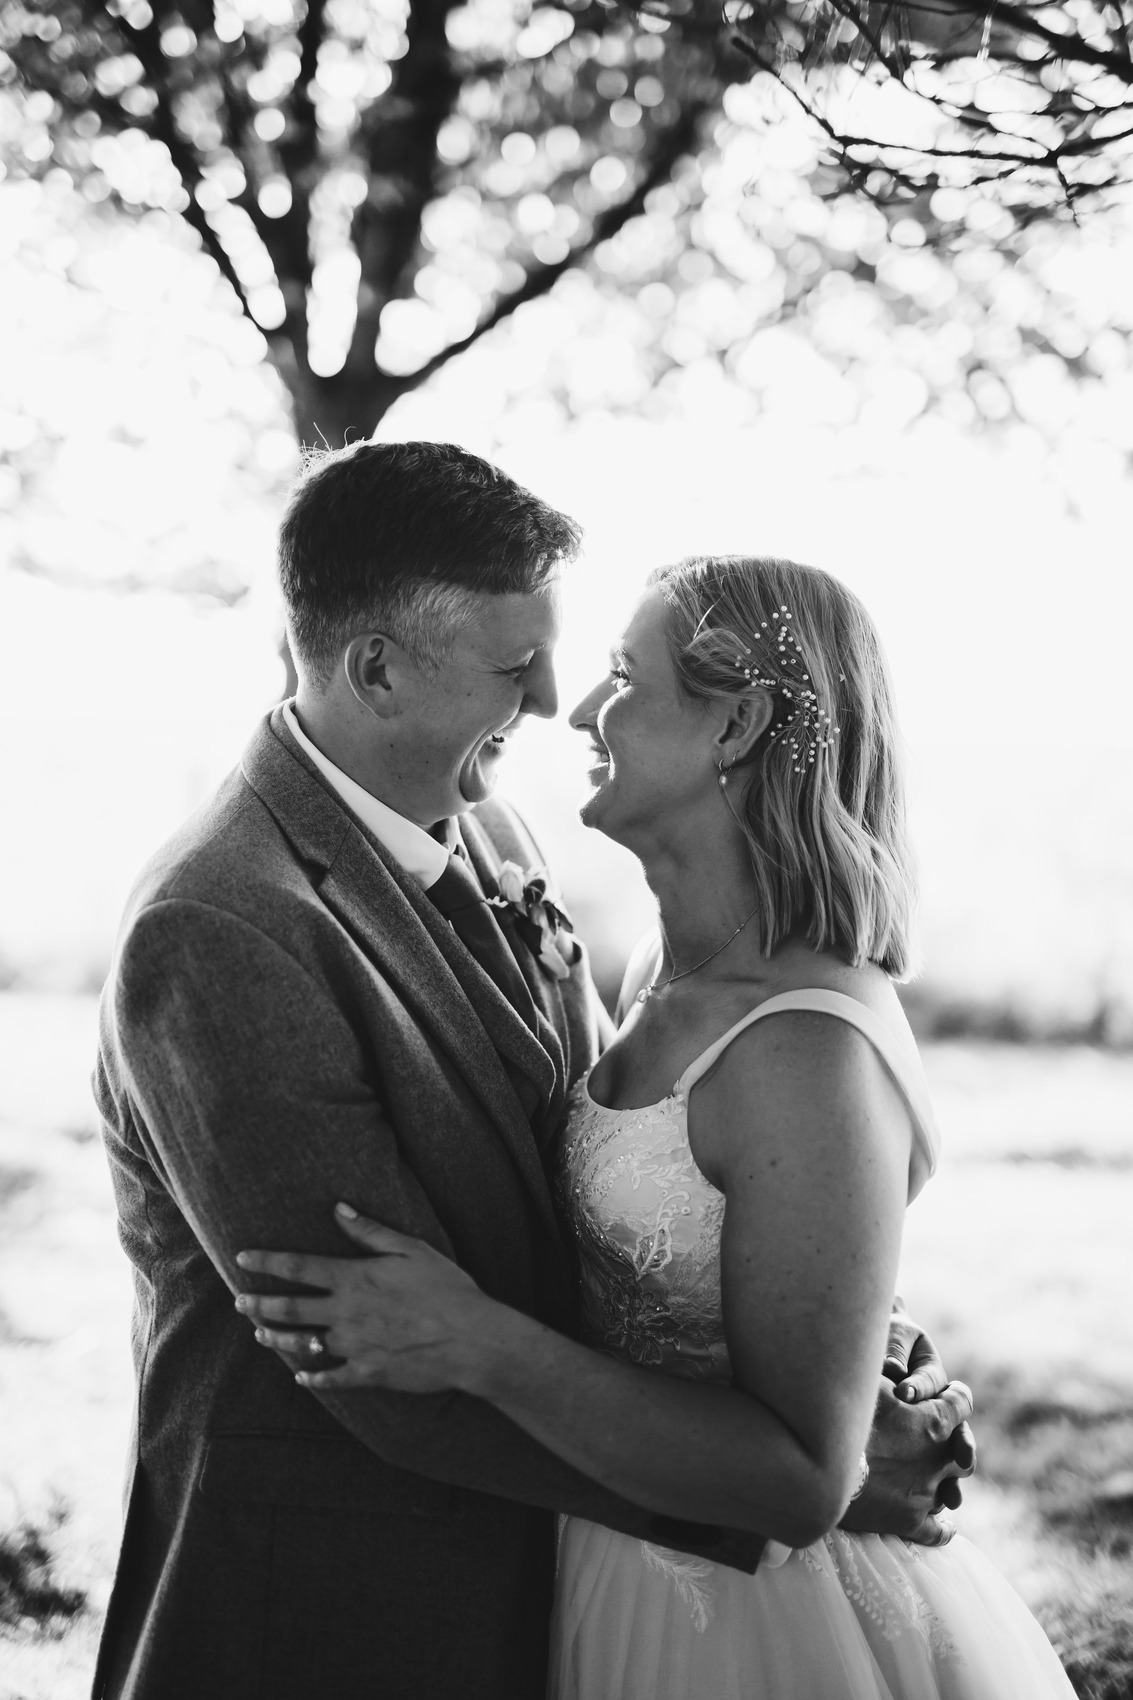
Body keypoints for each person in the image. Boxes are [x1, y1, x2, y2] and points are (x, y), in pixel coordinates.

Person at [94, 442, 969, 1700]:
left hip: (567, 1584)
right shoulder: (223, 927)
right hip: (333, 1603)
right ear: (377, 668)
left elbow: (625, 1191)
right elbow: (377, 1360)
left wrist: (826, 1357)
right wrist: (784, 1492)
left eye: (582, 661)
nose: (557, 702)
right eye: (518, 667)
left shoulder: (486, 822)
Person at [236, 552, 1076, 1699]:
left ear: (733, 724)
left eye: (623, 677)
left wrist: (481, 1340)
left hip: (755, 1623)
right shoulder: (657, 966)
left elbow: (795, 1476)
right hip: (608, 1564)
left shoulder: (801, 1047)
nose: (575, 707)